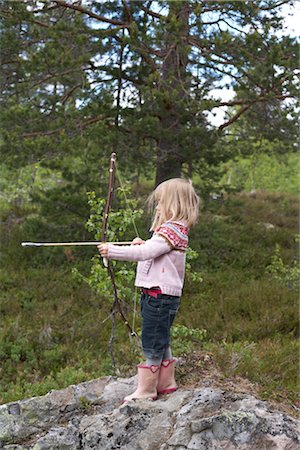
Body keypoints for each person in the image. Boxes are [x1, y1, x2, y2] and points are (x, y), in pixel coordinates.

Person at [98, 178, 200, 402]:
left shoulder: (171, 231)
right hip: (158, 295)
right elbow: (152, 251)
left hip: (159, 296)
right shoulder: (173, 231)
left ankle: (146, 390)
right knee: (160, 338)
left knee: (152, 342)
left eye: (161, 202)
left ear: (174, 204)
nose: (158, 207)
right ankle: (166, 383)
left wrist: (112, 251)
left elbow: (146, 254)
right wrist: (142, 243)